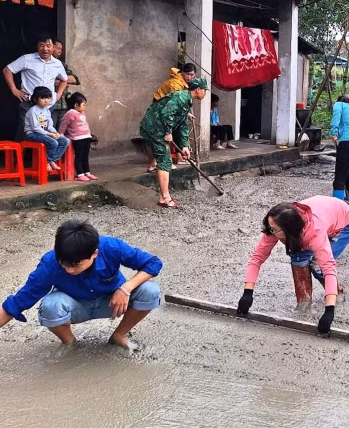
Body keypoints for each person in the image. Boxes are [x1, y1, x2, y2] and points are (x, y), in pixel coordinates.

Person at [0, 219, 162, 351]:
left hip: (112, 302)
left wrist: (125, 289)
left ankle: (118, 336)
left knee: (150, 290)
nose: (69, 270)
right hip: (75, 307)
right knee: (50, 305)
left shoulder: (111, 247)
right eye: (64, 263)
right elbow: (16, 303)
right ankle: (70, 344)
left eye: (76, 265)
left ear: (94, 253)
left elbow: (153, 263)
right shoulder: (50, 264)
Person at [236, 196, 349, 334]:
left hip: (343, 222)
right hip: (316, 219)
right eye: (270, 228)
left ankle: (337, 295)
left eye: (274, 229)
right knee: (298, 259)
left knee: (318, 268)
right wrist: (247, 293)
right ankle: (303, 306)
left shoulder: (314, 233)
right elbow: (257, 257)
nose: (271, 232)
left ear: (288, 229)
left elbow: (328, 267)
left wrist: (329, 311)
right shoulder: (275, 224)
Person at [139, 77, 208, 208]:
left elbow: (182, 124)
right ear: (198, 89)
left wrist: (184, 145)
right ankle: (165, 198)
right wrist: (168, 132)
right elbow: (166, 113)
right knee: (165, 161)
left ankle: (163, 196)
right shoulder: (181, 97)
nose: (205, 93)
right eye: (205, 90)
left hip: (158, 127)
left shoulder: (187, 100)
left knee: (164, 160)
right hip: (154, 127)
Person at [3, 35, 67, 139]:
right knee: (26, 132)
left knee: (44, 133)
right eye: (41, 45)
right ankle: (18, 150)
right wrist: (14, 89)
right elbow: (7, 70)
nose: (45, 49)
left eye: (48, 45)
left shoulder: (57, 64)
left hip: (47, 106)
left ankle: (41, 151)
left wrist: (58, 94)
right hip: (28, 103)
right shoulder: (27, 59)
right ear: (37, 47)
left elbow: (64, 79)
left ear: (53, 47)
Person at [24, 86, 69, 172]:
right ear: (35, 99)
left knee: (65, 141)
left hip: (45, 133)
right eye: (43, 98)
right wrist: (49, 134)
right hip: (32, 134)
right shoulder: (33, 111)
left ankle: (51, 160)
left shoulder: (47, 111)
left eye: (48, 98)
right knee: (53, 142)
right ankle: (46, 162)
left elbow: (50, 126)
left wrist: (55, 133)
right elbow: (35, 128)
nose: (46, 101)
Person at [59, 92, 96, 182]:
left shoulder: (82, 112)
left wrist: (89, 135)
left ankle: (87, 172)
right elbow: (64, 124)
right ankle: (80, 174)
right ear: (76, 105)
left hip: (86, 137)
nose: (84, 107)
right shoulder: (70, 113)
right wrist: (61, 134)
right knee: (79, 157)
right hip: (77, 138)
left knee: (85, 156)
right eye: (83, 105)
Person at [51, 39, 80, 129]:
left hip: (63, 103)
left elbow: (74, 79)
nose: (60, 51)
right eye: (57, 48)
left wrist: (60, 81)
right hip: (50, 104)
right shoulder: (43, 64)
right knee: (49, 129)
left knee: (61, 129)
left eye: (61, 49)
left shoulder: (62, 65)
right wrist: (62, 81)